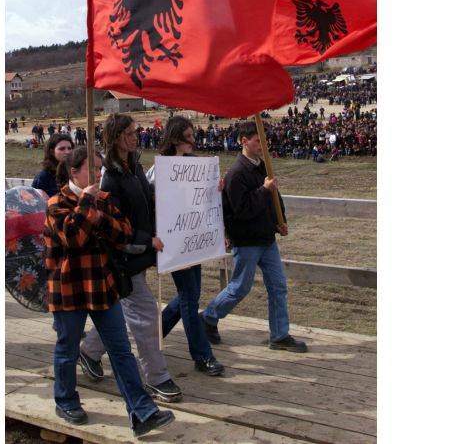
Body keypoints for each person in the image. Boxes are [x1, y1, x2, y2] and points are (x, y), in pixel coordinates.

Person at [44, 146, 175, 435]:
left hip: (102, 283)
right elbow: (73, 238)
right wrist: (89, 207)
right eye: (92, 169)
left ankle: (142, 412)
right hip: (69, 287)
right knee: (67, 348)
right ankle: (65, 400)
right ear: (73, 172)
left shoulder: (103, 199)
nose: (99, 174)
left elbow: (124, 233)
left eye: (101, 169)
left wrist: (97, 215)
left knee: (120, 350)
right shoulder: (56, 203)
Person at [78, 113, 182, 403]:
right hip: (124, 260)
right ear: (115, 137)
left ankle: (88, 350)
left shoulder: (133, 168)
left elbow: (148, 203)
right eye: (128, 133)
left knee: (128, 312)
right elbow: (112, 225)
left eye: (136, 132)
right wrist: (144, 240)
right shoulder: (110, 178)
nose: (134, 137)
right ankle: (157, 377)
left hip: (139, 257)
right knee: (147, 316)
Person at [200, 121, 308, 353]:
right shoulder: (237, 173)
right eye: (258, 140)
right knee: (240, 287)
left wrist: (281, 222)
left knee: (278, 286)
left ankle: (279, 335)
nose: (263, 144)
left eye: (264, 140)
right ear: (244, 141)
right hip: (247, 240)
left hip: (266, 239)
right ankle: (208, 317)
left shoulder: (262, 166)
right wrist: (263, 190)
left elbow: (274, 198)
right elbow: (243, 210)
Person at [149, 116, 224, 376]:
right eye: (188, 136)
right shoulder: (160, 169)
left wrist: (216, 189)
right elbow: (152, 203)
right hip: (174, 242)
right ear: (175, 137)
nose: (193, 141)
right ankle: (202, 356)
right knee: (190, 300)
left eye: (194, 136)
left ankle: (153, 333)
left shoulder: (196, 165)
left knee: (187, 296)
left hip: (193, 240)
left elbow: (202, 199)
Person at [32, 133, 74, 198]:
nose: (67, 152)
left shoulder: (76, 172)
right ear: (52, 152)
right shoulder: (43, 178)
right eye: (62, 149)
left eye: (69, 148)